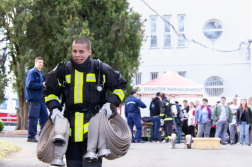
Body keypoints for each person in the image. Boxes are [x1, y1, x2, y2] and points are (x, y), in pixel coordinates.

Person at [43, 38, 127, 167]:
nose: (77, 55)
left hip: (94, 132)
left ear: (89, 52)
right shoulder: (61, 70)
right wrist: (54, 109)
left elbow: (120, 86)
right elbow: (49, 92)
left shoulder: (101, 69)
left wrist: (110, 105)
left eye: (81, 51)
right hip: (70, 132)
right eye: (74, 51)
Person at [25, 57, 48, 142]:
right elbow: (29, 85)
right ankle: (31, 136)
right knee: (33, 118)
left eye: (42, 63)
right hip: (34, 99)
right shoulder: (32, 72)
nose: (41, 64)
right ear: (35, 63)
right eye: (39, 62)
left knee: (45, 117)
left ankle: (42, 135)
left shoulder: (41, 73)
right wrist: (42, 84)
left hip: (41, 99)